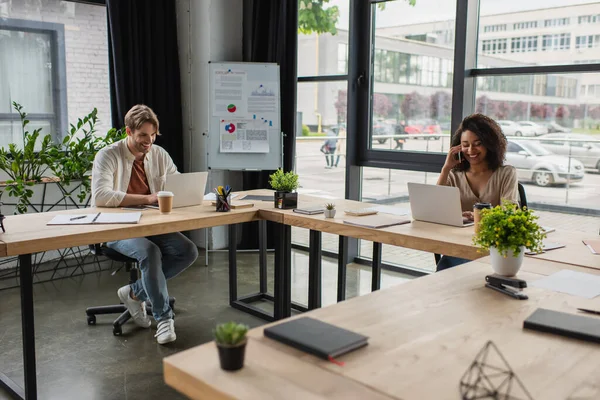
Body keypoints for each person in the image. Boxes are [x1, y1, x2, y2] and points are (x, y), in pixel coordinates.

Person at [91, 104, 199, 344]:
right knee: (150, 252)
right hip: (115, 226)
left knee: (187, 251)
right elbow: (101, 195)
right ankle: (164, 319)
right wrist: (148, 198)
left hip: (151, 223)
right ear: (128, 132)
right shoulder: (108, 155)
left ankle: (133, 293)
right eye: (142, 135)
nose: (148, 140)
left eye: (152, 135)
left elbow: (177, 183)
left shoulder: (159, 154)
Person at [435, 113, 518, 272]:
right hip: (460, 245)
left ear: (489, 144)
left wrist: (483, 216)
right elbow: (436, 208)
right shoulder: (454, 175)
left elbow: (510, 211)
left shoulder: (506, 173)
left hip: (494, 249)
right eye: (465, 145)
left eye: (477, 143)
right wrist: (446, 169)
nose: (471, 150)